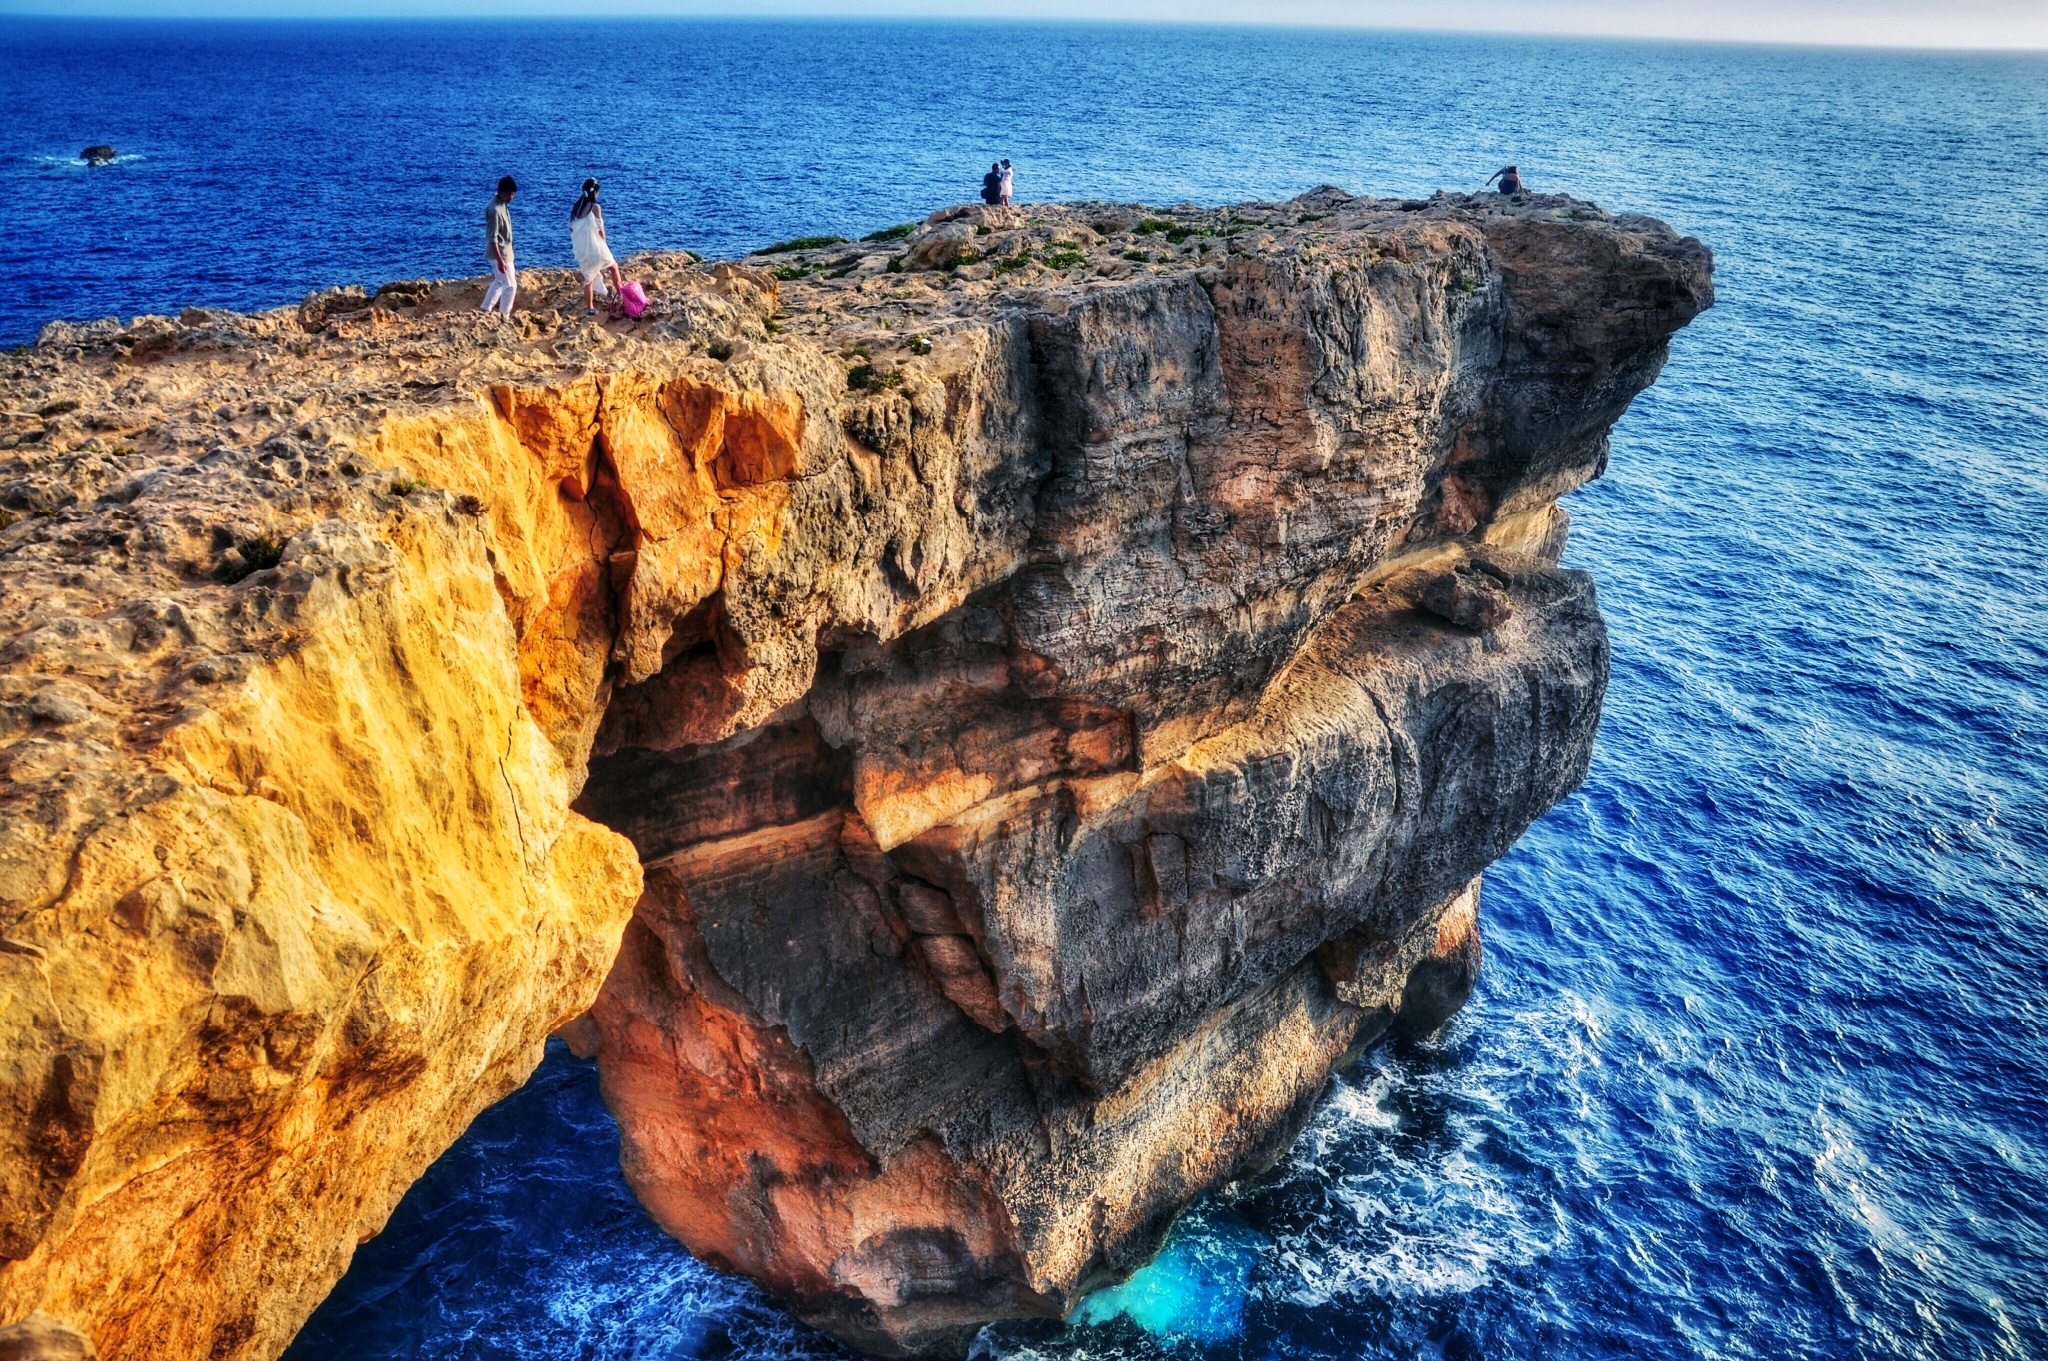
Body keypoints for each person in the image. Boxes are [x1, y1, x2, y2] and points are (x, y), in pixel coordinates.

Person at [569, 178, 626, 313]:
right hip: (595, 247)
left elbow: (571, 228)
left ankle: (590, 309)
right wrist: (604, 246)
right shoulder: (595, 208)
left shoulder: (577, 208)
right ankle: (621, 296)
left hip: (582, 250)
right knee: (614, 267)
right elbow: (601, 229)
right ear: (594, 192)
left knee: (589, 279)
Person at [481, 176, 518, 317]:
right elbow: (492, 237)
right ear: (501, 192)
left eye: (513, 194)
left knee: (500, 281)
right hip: (500, 253)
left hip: (506, 252)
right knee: (510, 285)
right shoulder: (494, 209)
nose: (511, 197)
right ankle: (504, 316)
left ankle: (485, 309)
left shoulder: (502, 204)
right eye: (509, 194)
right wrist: (500, 260)